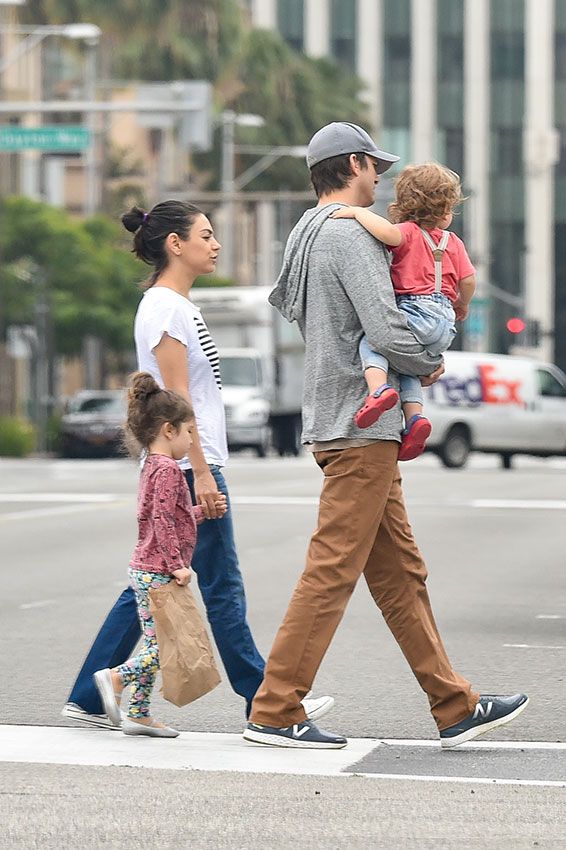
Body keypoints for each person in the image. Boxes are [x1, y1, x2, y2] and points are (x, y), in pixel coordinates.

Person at [243, 122, 528, 750]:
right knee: (332, 567)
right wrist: (427, 362)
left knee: (402, 573)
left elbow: (292, 305)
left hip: (343, 418)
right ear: (352, 164)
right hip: (358, 422)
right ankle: (275, 708)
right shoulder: (345, 233)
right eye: (375, 167)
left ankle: (454, 704)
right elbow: (386, 323)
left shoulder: (305, 233)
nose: (381, 179)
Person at [62, 201, 333, 729]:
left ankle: (92, 695)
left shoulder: (175, 305)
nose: (215, 244)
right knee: (219, 585)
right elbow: (177, 401)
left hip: (183, 465)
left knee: (153, 580)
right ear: (174, 244)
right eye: (205, 236)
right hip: (185, 470)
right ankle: (266, 701)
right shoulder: (166, 308)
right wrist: (203, 474)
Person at [93, 372, 226, 738]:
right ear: (169, 429)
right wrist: (178, 565)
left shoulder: (152, 465)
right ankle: (116, 678)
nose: (190, 440)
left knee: (157, 643)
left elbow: (170, 515)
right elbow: (165, 522)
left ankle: (138, 713)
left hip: (146, 566)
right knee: (165, 647)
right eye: (189, 433)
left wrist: (203, 512)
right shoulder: (168, 470)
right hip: (157, 570)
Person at [332, 162, 476, 461]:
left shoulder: (407, 233)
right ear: (444, 210)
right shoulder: (454, 242)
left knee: (373, 342)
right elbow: (469, 280)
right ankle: (414, 419)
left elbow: (384, 232)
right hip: (444, 321)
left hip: (414, 309)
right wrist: (463, 303)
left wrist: (358, 213)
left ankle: (377, 390)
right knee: (405, 365)